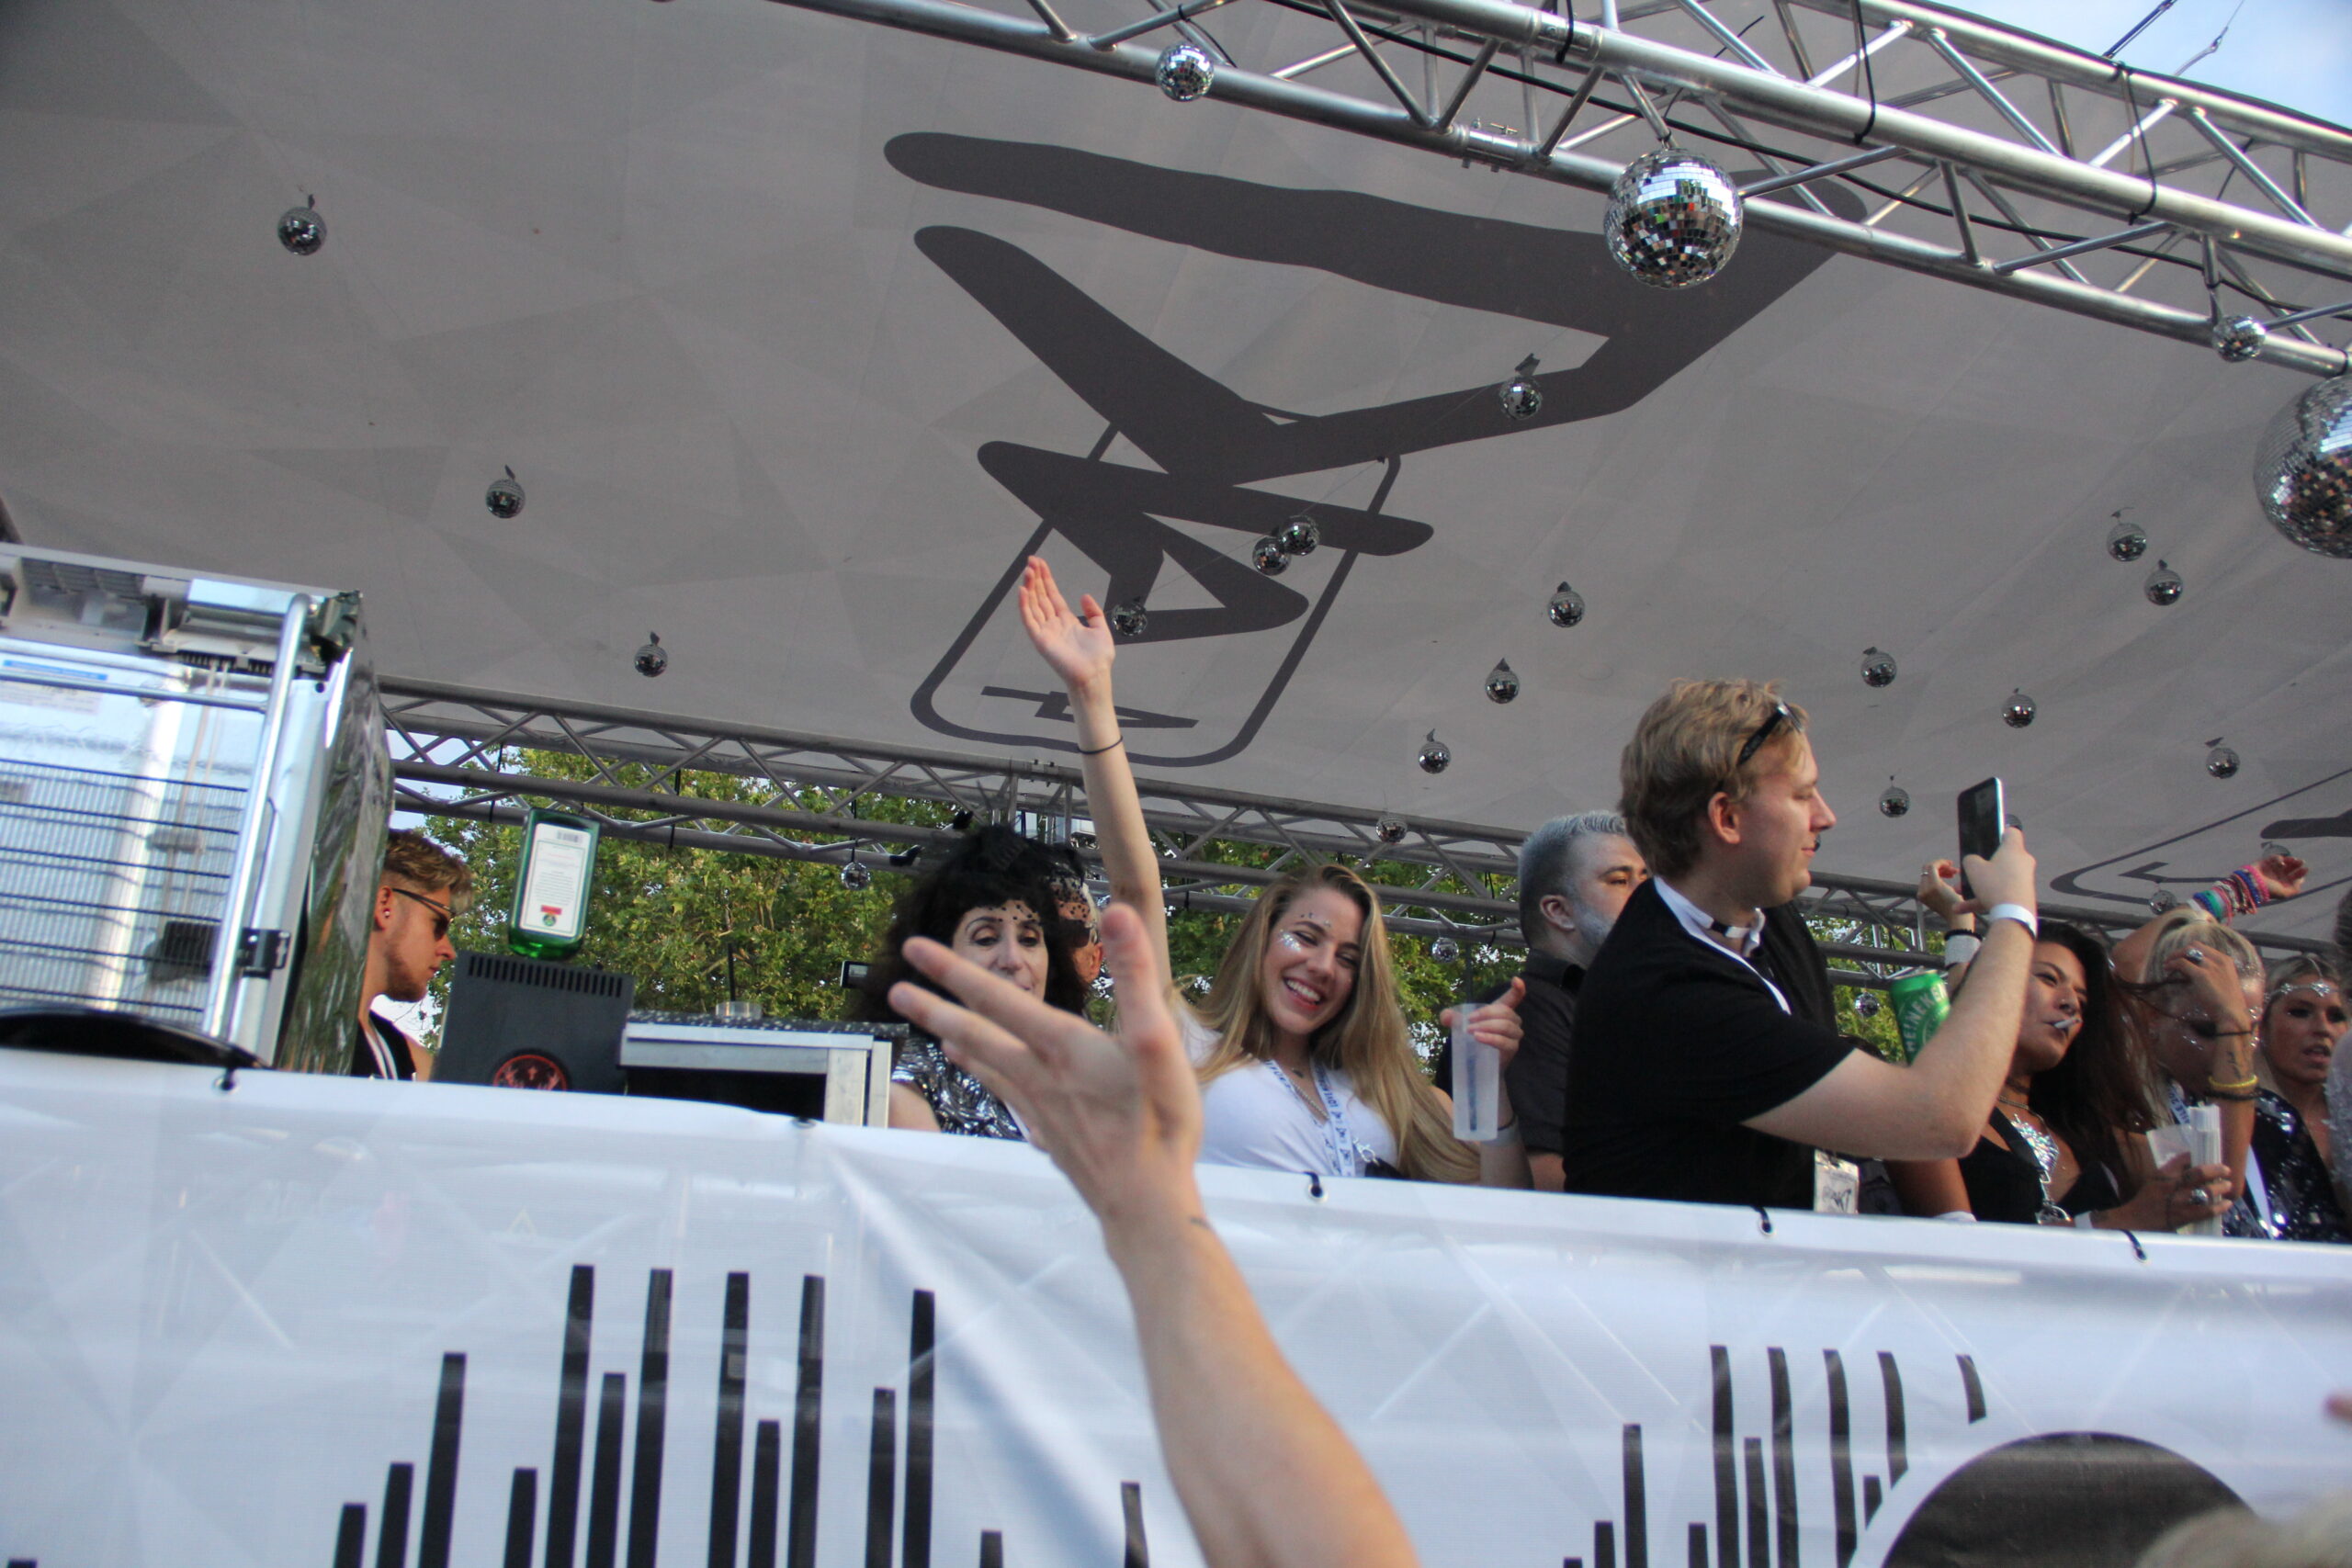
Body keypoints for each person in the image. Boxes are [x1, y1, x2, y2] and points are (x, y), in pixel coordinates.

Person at [889, 902, 1420, 1568]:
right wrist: (1147, 1210)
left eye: (1030, 938)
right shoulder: (1195, 1048)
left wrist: (1146, 1207)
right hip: (985, 1378)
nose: (1011, 958)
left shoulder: (1382, 1090)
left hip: (1195, 1367)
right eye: (1305, 937)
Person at [1015, 557, 1526, 1186]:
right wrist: (1091, 696)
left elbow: (1505, 1213)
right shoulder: (1188, 1046)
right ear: (1262, 938)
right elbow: (1136, 886)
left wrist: (1492, 1092)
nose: (1323, 966)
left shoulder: (1398, 1095)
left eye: (1348, 958)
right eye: (1307, 937)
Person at [1561, 680, 2044, 1210]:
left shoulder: (1759, 917)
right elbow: (1939, 1119)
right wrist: (2014, 916)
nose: (1825, 817)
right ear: (1727, 818)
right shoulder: (1666, 990)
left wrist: (1961, 931)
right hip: (1683, 1266)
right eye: (1801, 794)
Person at [1884, 915, 2230, 1232]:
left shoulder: (2087, 1132)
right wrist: (2122, 1221)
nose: (2071, 1004)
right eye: (2049, 979)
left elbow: (2219, 1170)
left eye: (2082, 999)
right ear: (1989, 980)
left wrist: (2233, 1025)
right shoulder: (1923, 1102)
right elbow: (1958, 1248)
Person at [855, 825, 1093, 1137]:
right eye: (986, 939)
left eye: (1029, 939)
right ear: (938, 961)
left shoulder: (1077, 1083)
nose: (1012, 959)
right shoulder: (905, 1085)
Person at [1496, 812, 1647, 1191]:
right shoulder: (1528, 1010)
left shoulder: (1634, 1008)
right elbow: (1547, 1180)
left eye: (1646, 879)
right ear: (1558, 911)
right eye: (1620, 880)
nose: (1647, 895)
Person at [2125, 912, 2267, 1238]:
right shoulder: (2118, 1108)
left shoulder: (2275, 1117)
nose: (2234, 1050)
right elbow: (2221, 1181)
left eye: (2250, 1030)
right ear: (2151, 1016)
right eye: (2208, 1029)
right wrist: (2231, 1021)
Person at [2245, 955, 2348, 1242]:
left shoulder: (2347, 1117)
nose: (2322, 1029)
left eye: (2336, 1016)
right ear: (2262, 1024)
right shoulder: (2237, 1114)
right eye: (2301, 1012)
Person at [354, 829, 470, 1080]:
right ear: (385, 905)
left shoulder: (399, 1052)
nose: (448, 951)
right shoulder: (297, 1031)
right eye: (438, 924)